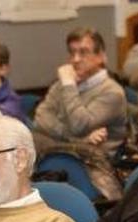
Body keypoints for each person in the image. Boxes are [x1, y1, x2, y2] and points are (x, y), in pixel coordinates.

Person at [32, 27, 127, 200]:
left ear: (101, 56)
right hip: (60, 161)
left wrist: (69, 85)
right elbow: (40, 117)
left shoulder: (112, 92)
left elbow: (79, 124)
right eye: (72, 52)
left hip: (93, 171)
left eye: (83, 53)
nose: (75, 60)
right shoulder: (61, 85)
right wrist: (77, 140)